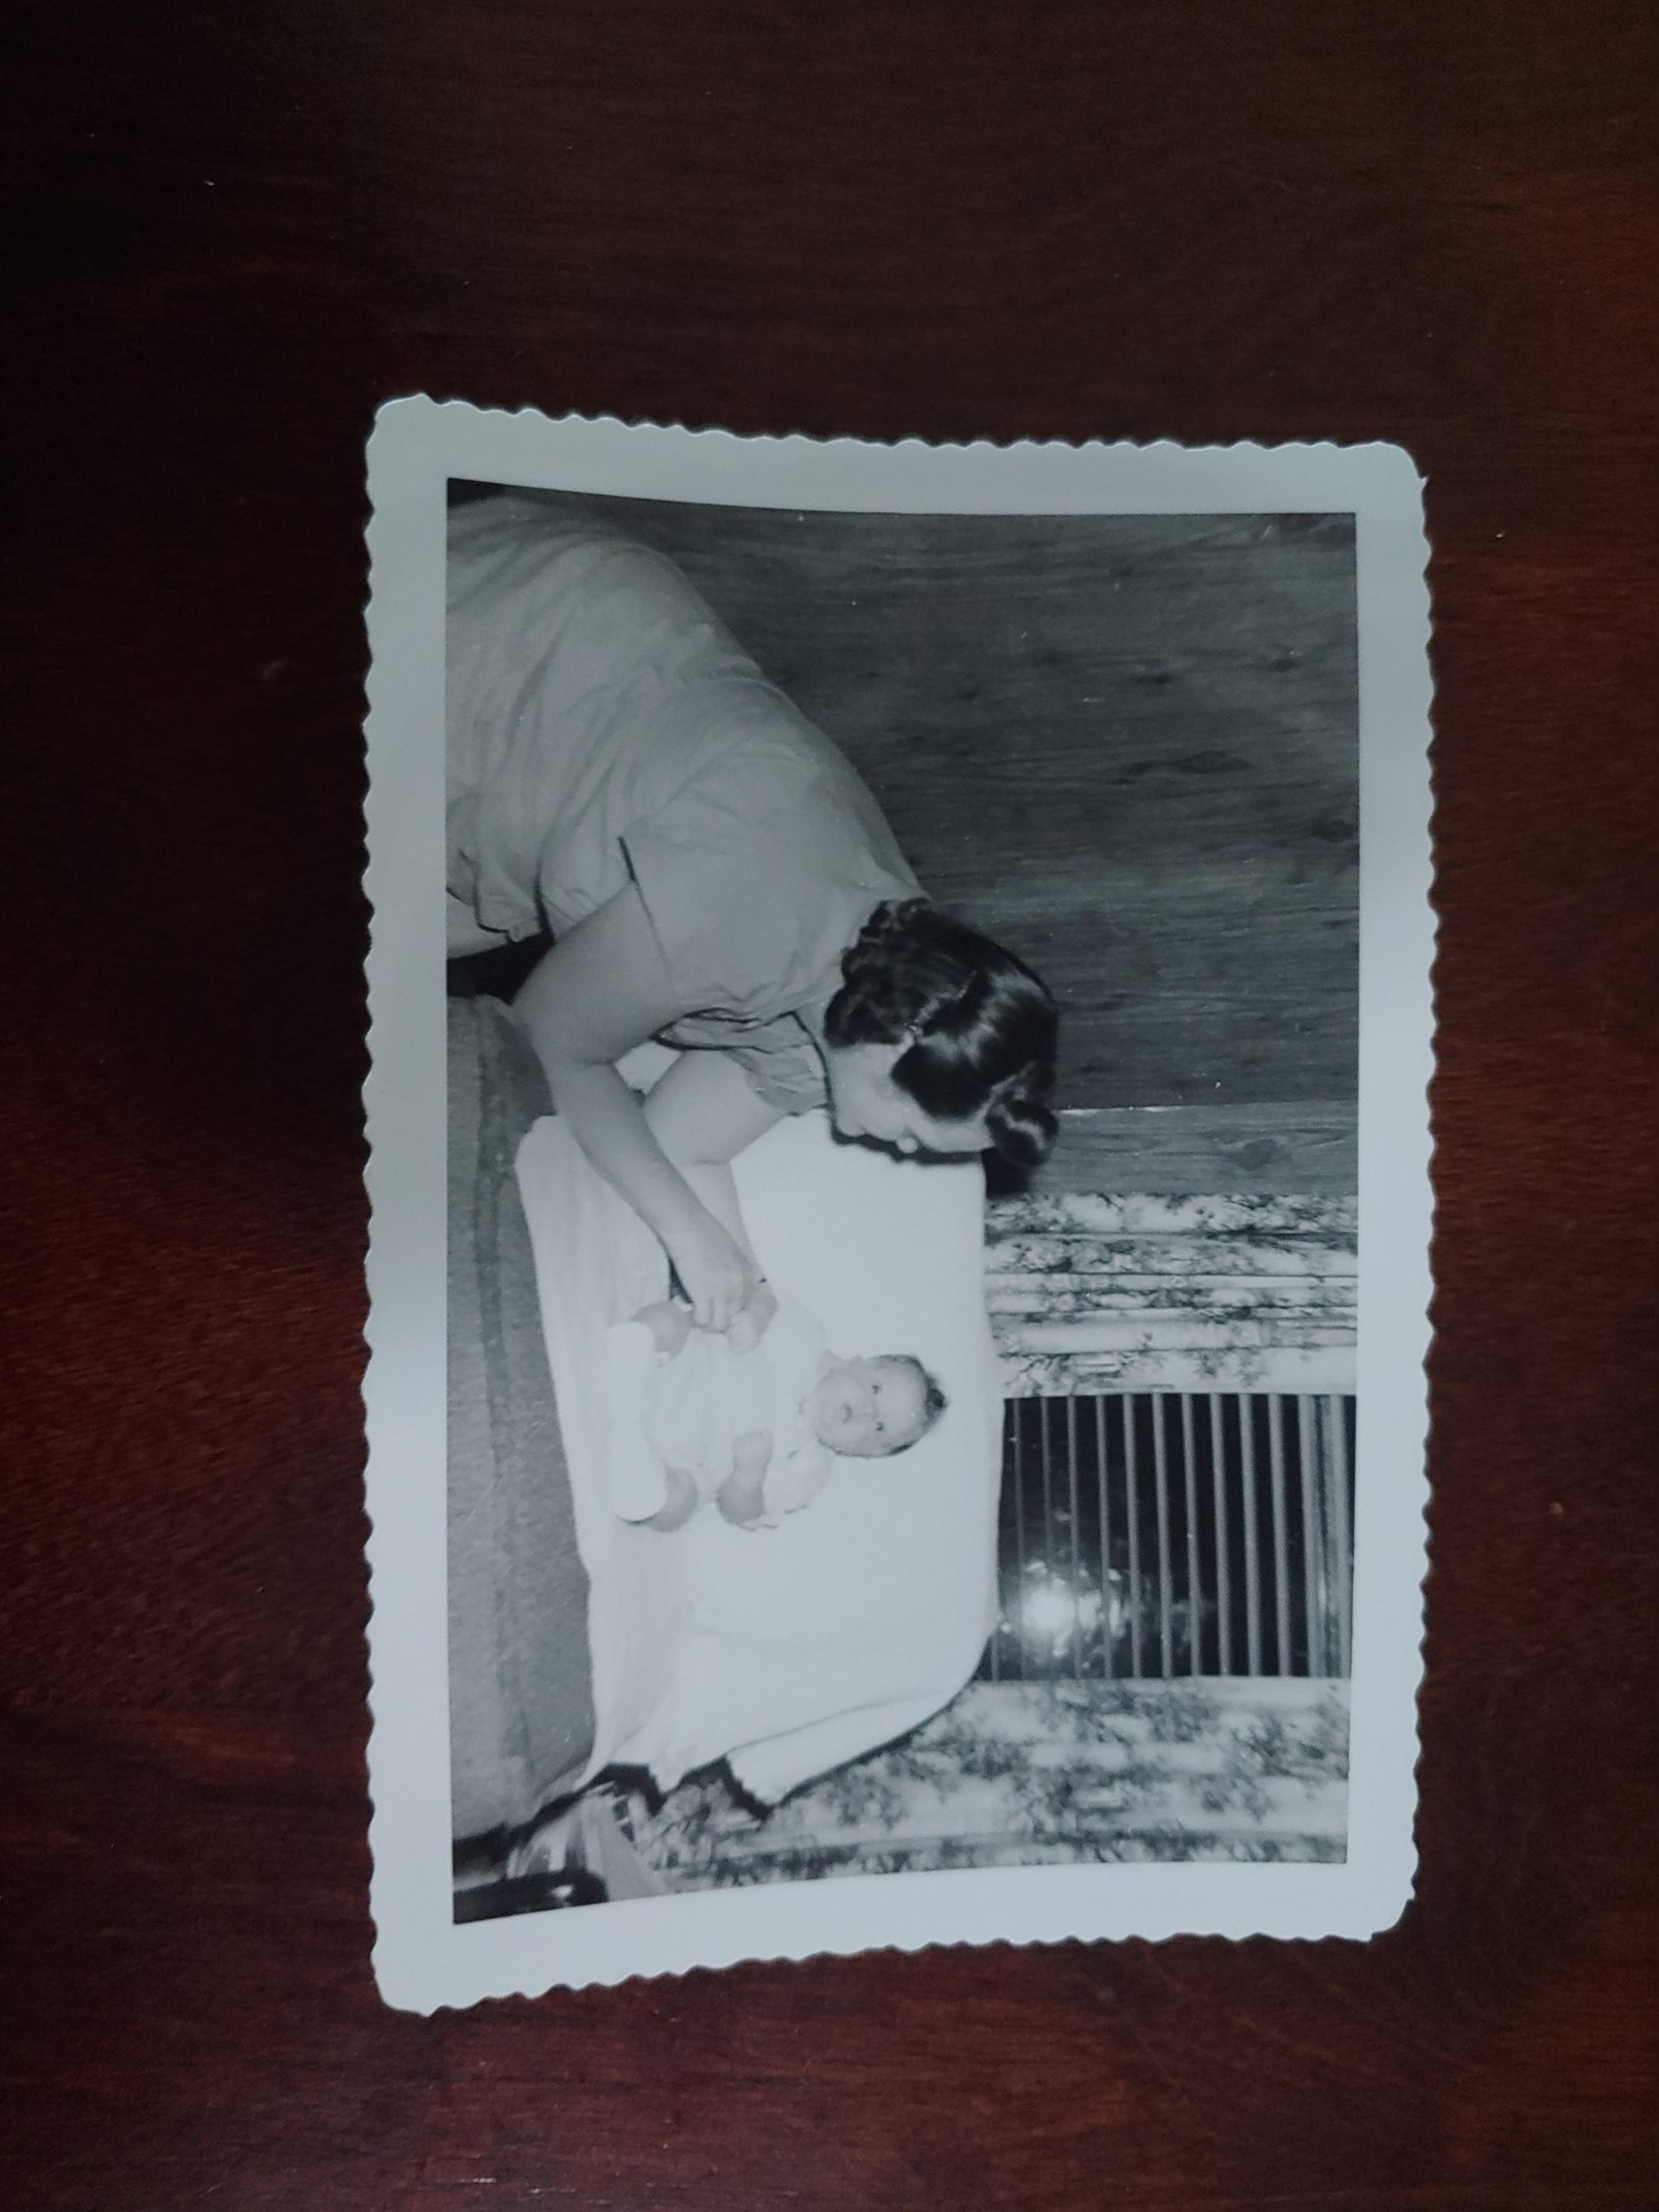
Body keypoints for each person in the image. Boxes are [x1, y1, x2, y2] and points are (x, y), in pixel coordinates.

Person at [447, 493, 1059, 1347]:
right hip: (521, 648)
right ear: (893, 1048)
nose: (901, 1154)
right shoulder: (755, 904)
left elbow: (677, 1144)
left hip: (552, 783)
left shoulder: (846, 1027)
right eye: (914, 1137)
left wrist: (743, 1287)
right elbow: (546, 1038)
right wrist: (687, 1236)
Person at [606, 1294, 948, 1534]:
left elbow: (739, 1513)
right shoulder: (804, 1336)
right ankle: (626, 1363)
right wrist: (750, 1318)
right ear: (857, 1362)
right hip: (679, 1363)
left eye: (879, 1427)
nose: (866, 1411)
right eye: (874, 1389)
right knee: (668, 1320)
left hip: (683, 1457)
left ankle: (635, 1463)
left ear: (866, 1453)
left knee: (674, 1509)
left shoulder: (810, 1472)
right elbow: (753, 1295)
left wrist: (749, 1476)